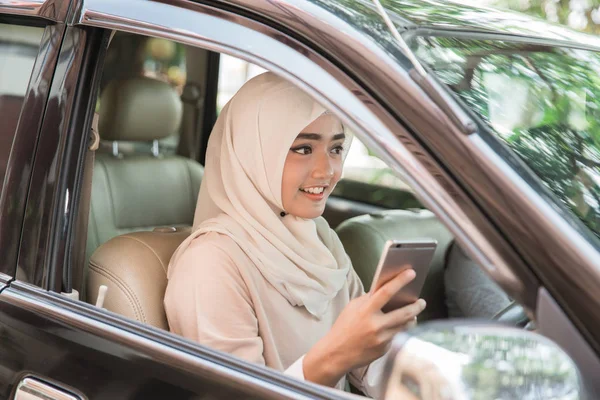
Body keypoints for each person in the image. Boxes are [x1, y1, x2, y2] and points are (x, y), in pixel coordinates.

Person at [164, 72, 426, 397]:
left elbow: (370, 371)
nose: (327, 170)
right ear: (253, 153)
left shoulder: (322, 240)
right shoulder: (210, 263)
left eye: (336, 148)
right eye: (303, 148)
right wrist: (334, 356)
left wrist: (394, 342)